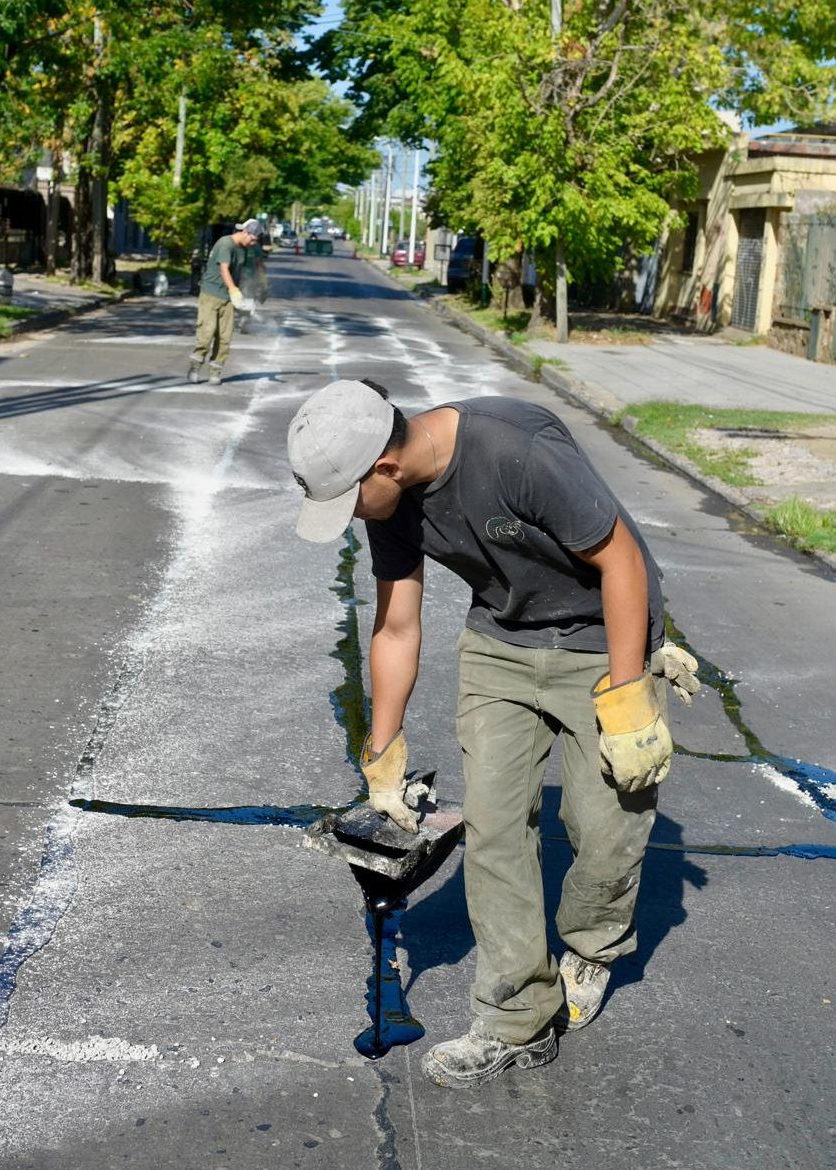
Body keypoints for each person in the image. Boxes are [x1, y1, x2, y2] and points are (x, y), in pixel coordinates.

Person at [287, 378, 699, 1089]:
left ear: (383, 467)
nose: (351, 514)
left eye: (349, 497)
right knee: (496, 829)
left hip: (605, 637)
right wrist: (381, 750)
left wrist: (630, 700)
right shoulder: (391, 504)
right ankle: (517, 1019)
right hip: (499, 646)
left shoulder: (516, 452)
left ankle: (593, 946)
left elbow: (622, 561)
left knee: (605, 829)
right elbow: (396, 625)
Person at [187, 218, 261, 385]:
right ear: (245, 232)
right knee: (207, 333)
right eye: (253, 239)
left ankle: (215, 371)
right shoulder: (225, 244)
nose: (253, 243)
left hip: (228, 298)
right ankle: (195, 366)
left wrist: (247, 293)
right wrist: (233, 290)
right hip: (211, 294)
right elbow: (224, 269)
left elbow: (240, 273)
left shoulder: (243, 249)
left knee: (225, 337)